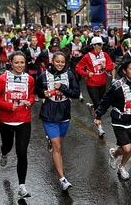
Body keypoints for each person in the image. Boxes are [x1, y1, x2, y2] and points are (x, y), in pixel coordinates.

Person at [0, 51, 35, 198]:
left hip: (24, 119)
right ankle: (3, 153)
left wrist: (30, 101)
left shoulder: (29, 79)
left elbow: (32, 95)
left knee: (22, 152)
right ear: (11, 63)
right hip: (6, 120)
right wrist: (8, 106)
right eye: (17, 62)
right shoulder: (2, 79)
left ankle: (22, 186)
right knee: (8, 146)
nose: (20, 65)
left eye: (22, 62)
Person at [35, 51, 80, 191]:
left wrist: (62, 87)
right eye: (57, 61)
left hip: (64, 114)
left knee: (58, 145)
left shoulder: (69, 75)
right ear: (52, 61)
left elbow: (76, 94)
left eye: (62, 62)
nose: (60, 64)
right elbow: (37, 90)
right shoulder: (44, 76)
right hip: (49, 114)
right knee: (57, 147)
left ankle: (50, 140)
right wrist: (43, 93)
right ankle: (62, 179)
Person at [75, 36, 114, 137]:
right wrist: (87, 74)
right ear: (94, 46)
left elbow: (111, 66)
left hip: (102, 82)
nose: (101, 46)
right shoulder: (87, 56)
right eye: (99, 45)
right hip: (91, 83)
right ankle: (100, 127)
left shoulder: (104, 55)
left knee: (100, 101)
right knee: (98, 105)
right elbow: (78, 68)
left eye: (102, 44)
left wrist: (106, 67)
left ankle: (90, 106)